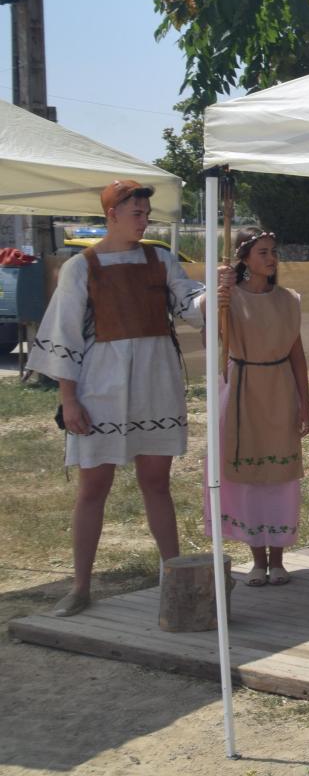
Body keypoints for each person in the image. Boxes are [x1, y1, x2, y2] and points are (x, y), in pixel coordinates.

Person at [32, 180, 208, 617]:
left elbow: (189, 304)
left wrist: (214, 295)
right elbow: (64, 338)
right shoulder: (81, 267)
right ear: (111, 214)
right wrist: (69, 400)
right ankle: (80, 586)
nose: (144, 220)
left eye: (147, 213)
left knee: (156, 482)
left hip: (155, 383)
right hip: (101, 387)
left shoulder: (160, 258)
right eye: (137, 213)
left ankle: (175, 578)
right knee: (94, 487)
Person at [210, 229, 309, 587]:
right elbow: (208, 328)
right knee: (248, 476)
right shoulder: (227, 299)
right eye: (263, 252)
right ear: (244, 260)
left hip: (279, 387)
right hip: (241, 389)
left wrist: (306, 402)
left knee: (279, 476)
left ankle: (279, 558)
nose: (271, 258)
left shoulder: (289, 300)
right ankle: (256, 559)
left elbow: (297, 354)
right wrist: (218, 290)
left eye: (273, 251)